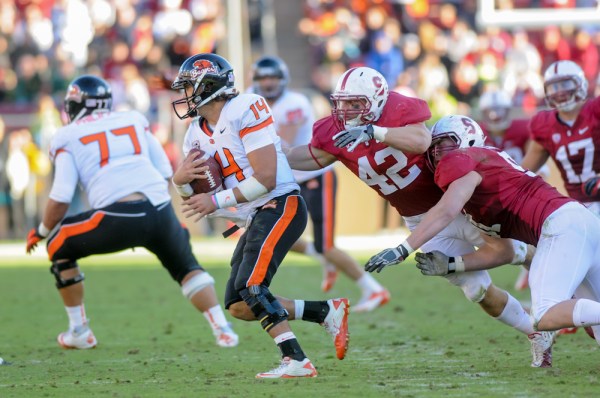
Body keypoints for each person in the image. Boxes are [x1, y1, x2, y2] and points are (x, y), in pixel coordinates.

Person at [286, 66, 552, 368]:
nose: (345, 111)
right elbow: (311, 156)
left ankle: (563, 300)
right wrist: (273, 152)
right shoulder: (336, 131)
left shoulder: (399, 110)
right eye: (341, 103)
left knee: (517, 250)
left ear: (376, 101)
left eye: (354, 103)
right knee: (476, 289)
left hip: (460, 203)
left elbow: (421, 141)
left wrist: (376, 132)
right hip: (420, 220)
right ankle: (536, 334)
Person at [25, 75, 239, 350]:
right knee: (186, 267)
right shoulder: (132, 119)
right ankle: (222, 329)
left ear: (75, 105)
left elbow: (61, 196)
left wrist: (41, 231)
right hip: (159, 209)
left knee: (57, 243)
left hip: (117, 216)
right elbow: (165, 171)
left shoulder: (67, 135)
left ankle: (79, 331)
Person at [169, 53, 349, 379]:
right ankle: (325, 312)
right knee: (239, 303)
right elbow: (198, 201)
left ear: (207, 85)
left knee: (252, 285)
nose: (184, 94)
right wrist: (179, 183)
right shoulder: (194, 134)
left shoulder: (246, 107)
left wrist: (216, 199)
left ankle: (296, 360)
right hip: (254, 216)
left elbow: (265, 177)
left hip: (281, 203)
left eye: (188, 85)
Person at [378, 114, 600, 353]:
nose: (438, 152)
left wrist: (404, 248)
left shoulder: (464, 160)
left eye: (445, 144)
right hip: (579, 221)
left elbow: (446, 210)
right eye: (434, 147)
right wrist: (452, 264)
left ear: (468, 141)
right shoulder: (483, 177)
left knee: (545, 313)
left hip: (560, 227)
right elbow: (502, 252)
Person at [251, 55, 390, 312]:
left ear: (283, 80)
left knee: (325, 244)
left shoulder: (295, 103)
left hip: (314, 176)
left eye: (272, 77)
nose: (268, 83)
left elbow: (284, 146)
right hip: (287, 181)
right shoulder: (252, 100)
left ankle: (374, 289)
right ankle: (323, 259)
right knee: (280, 236)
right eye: (263, 78)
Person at [521, 60, 600, 335]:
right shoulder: (543, 124)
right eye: (553, 87)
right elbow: (524, 170)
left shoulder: (595, 110)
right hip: (581, 209)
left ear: (579, 83)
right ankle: (568, 310)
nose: (559, 92)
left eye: (565, 84)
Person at [477, 89, 550, 291]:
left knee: (537, 229)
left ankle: (536, 267)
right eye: (490, 111)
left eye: (499, 110)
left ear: (509, 111)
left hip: (523, 183)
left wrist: (533, 185)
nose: (495, 115)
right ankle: (530, 265)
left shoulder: (522, 129)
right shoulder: (478, 134)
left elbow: (537, 159)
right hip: (494, 192)